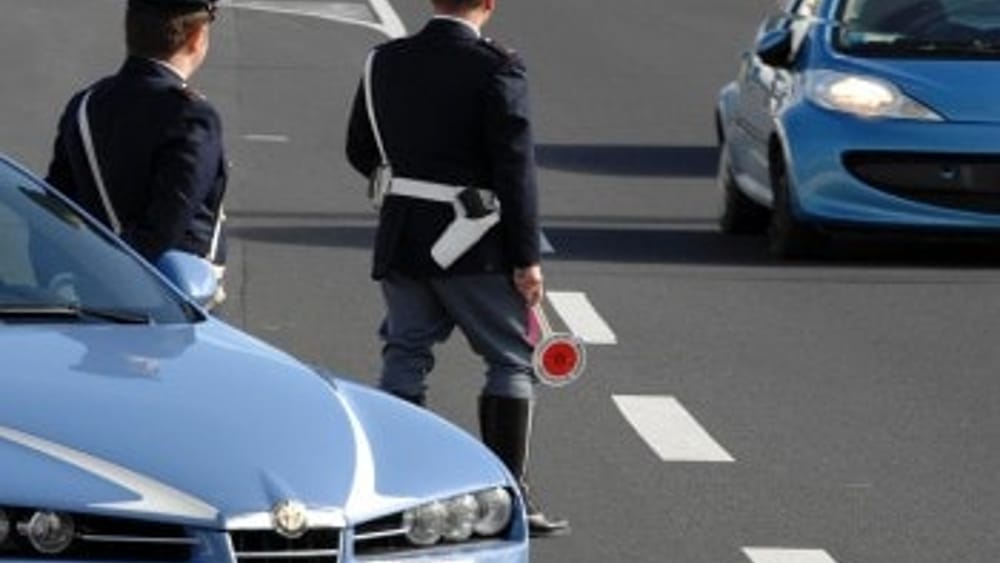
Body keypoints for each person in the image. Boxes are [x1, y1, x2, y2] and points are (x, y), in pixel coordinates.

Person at [346, 0, 569, 537]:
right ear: (488, 5)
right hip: (478, 245)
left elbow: (359, 149)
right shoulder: (498, 67)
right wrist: (526, 258)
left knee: (405, 356)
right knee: (510, 362)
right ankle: (509, 496)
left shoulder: (385, 60)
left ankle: (398, 495)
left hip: (403, 238)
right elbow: (515, 168)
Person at [46, 0, 228, 305]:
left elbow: (55, 205)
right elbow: (166, 225)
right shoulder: (191, 116)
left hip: (91, 288)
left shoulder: (87, 103)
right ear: (197, 36)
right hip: (164, 299)